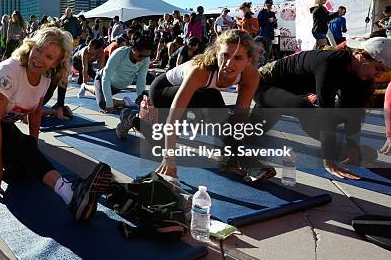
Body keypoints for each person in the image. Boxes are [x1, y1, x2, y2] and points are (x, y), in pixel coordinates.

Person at [0, 26, 112, 222]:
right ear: (31, 46)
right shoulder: (10, 70)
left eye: (49, 57)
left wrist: (33, 145)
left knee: (25, 169)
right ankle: (71, 195)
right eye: (38, 49)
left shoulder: (46, 79)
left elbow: (36, 112)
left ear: (57, 63)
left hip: (4, 124)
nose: (39, 58)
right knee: (22, 147)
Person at [140, 30, 269, 180]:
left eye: (238, 58)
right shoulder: (200, 71)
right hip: (161, 90)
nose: (229, 63)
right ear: (216, 53)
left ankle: (235, 158)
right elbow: (174, 117)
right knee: (212, 98)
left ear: (248, 59)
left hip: (200, 94)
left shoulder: (251, 76)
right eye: (225, 55)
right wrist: (169, 159)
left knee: (226, 114)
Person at [255, 37, 391, 179]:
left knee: (249, 135)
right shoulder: (330, 64)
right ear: (362, 55)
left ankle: (347, 151)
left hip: (285, 93)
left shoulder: (356, 74)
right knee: (306, 110)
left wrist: (354, 152)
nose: (378, 75)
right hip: (262, 84)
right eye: (378, 69)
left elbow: (352, 114)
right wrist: (329, 162)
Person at [79, 35, 153, 112]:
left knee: (98, 92)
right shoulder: (120, 53)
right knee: (103, 104)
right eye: (140, 55)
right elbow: (106, 77)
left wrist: (141, 101)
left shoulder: (145, 59)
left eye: (146, 56)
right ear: (133, 48)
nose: (142, 59)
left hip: (118, 86)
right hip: (103, 79)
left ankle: (86, 87)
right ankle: (125, 102)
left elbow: (141, 80)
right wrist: (109, 105)